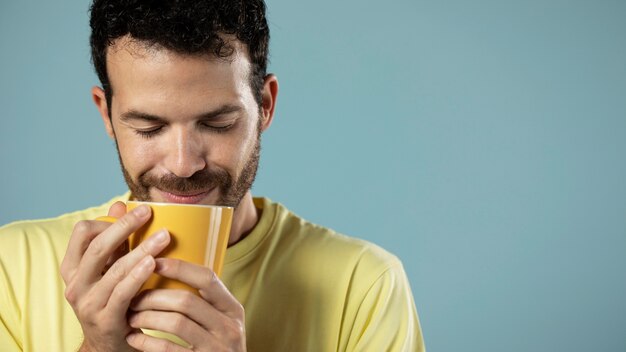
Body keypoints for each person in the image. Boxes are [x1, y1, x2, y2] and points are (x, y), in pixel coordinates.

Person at [0, 0, 424, 351]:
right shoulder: (12, 265)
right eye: (148, 128)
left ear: (266, 106)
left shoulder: (366, 284)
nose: (184, 165)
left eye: (218, 124)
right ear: (105, 114)